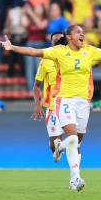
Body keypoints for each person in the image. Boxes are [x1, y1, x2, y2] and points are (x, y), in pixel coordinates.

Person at [0, 24, 101, 191]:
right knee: (72, 138)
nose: (82, 34)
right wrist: (12, 47)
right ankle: (76, 178)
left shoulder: (90, 50)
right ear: (69, 37)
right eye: (78, 32)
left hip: (83, 103)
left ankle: (69, 168)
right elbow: (32, 51)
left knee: (77, 143)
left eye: (83, 32)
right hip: (64, 100)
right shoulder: (59, 51)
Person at [32, 31, 66, 162]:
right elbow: (36, 86)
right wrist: (37, 105)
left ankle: (75, 171)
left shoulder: (71, 58)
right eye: (55, 41)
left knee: (74, 137)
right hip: (52, 106)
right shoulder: (45, 61)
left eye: (60, 40)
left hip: (69, 104)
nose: (57, 43)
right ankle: (57, 146)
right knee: (54, 145)